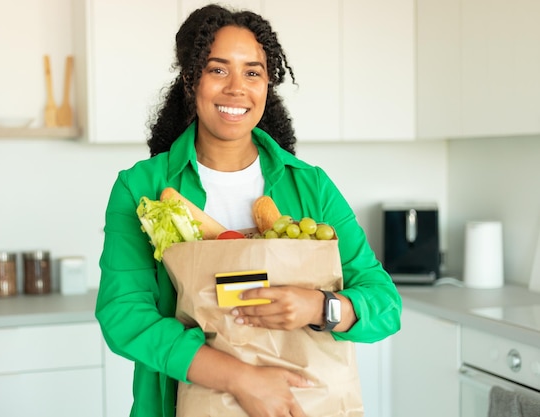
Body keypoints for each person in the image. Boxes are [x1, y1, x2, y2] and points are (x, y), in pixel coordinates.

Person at [96, 4, 402, 417]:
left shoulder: (310, 186)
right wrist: (242, 379)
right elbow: (124, 315)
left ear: (267, 85)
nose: (237, 88)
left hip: (302, 402)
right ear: (191, 79)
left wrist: (320, 307)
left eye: (253, 72)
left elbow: (384, 302)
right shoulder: (142, 188)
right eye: (218, 70)